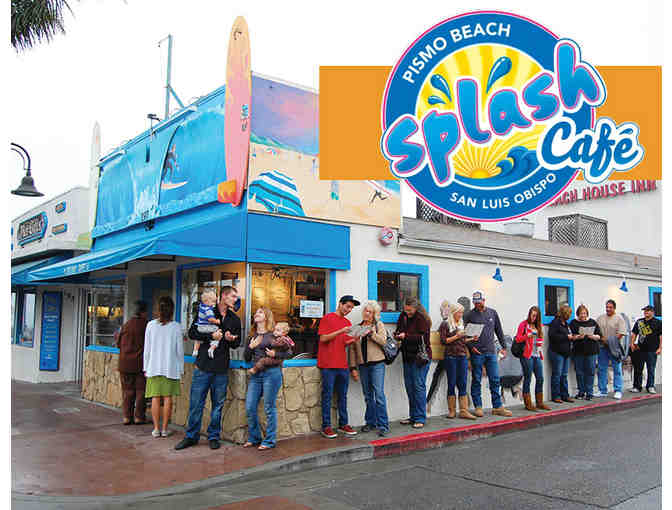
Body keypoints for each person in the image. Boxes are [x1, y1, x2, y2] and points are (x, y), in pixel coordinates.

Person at [175, 286, 241, 451]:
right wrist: (211, 335)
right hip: (203, 366)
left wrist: (230, 339)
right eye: (233, 296)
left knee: (218, 406)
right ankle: (191, 436)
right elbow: (192, 332)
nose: (235, 299)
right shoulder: (207, 311)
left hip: (221, 368)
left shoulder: (234, 319)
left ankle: (213, 437)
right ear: (223, 296)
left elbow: (236, 343)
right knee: (196, 404)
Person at [243, 308, 293, 450]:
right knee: (250, 407)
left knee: (269, 407)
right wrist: (251, 347)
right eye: (256, 312)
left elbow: (289, 352)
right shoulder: (251, 336)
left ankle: (269, 440)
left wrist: (275, 354)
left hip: (271, 373)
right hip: (256, 374)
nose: (256, 314)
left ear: (266, 317)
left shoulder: (274, 334)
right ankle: (254, 437)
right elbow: (246, 358)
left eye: (260, 312)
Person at [318, 295, 362, 439]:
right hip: (328, 364)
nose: (349, 310)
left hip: (342, 364)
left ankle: (344, 424)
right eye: (347, 306)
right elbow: (323, 338)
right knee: (327, 396)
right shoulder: (327, 318)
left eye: (351, 308)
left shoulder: (347, 322)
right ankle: (326, 427)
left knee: (342, 396)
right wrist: (341, 331)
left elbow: (344, 343)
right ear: (340, 304)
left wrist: (355, 338)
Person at [464, 290, 512, 417]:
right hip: (477, 353)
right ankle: (478, 407)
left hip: (491, 351)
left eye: (479, 302)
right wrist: (471, 347)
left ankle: (497, 407)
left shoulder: (492, 313)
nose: (477, 305)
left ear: (484, 300)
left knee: (495, 379)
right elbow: (465, 335)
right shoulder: (469, 315)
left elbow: (499, 330)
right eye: (475, 303)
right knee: (476, 380)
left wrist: (504, 347)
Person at [143, 296, 184, 438]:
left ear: (158, 309)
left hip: (153, 367)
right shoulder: (176, 327)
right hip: (170, 368)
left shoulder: (150, 325)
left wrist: (145, 367)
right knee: (167, 398)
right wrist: (181, 368)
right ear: (172, 310)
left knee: (155, 398)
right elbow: (179, 351)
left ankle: (156, 429)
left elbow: (147, 349)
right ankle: (165, 429)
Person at [348, 300, 390, 437]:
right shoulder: (357, 327)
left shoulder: (378, 325)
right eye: (365, 311)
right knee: (367, 395)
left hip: (377, 363)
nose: (367, 313)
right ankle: (370, 422)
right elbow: (352, 349)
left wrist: (371, 334)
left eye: (370, 312)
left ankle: (383, 425)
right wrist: (353, 367)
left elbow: (383, 341)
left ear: (374, 314)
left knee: (379, 394)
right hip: (363, 365)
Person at [396, 296, 432, 428]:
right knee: (410, 388)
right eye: (406, 310)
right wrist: (397, 334)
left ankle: (420, 418)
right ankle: (413, 416)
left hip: (420, 358)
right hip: (407, 356)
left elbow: (423, 338)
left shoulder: (422, 318)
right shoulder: (403, 316)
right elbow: (400, 329)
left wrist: (406, 336)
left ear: (416, 308)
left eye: (410, 310)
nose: (408, 312)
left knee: (418, 387)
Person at [439, 301, 477, 420]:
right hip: (451, 356)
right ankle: (452, 410)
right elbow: (443, 341)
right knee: (451, 382)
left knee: (463, 382)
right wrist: (456, 336)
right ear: (453, 312)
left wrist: (471, 339)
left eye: (462, 312)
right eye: (459, 312)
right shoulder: (445, 324)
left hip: (462, 355)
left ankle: (463, 410)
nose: (461, 315)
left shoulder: (461, 324)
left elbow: (462, 341)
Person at [116, 300, 149, 425]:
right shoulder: (146, 325)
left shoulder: (126, 325)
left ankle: (126, 417)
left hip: (124, 363)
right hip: (140, 363)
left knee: (127, 391)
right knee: (141, 391)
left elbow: (118, 343)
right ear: (143, 312)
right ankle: (139, 417)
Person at [514, 306, 551, 411]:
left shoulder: (538, 326)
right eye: (532, 315)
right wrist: (528, 335)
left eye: (535, 316)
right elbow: (518, 338)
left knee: (540, 378)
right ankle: (528, 403)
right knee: (528, 378)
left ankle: (539, 402)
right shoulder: (523, 324)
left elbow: (540, 340)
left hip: (536, 355)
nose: (533, 317)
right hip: (526, 355)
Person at [569, 304, 602, 401]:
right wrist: (578, 337)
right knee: (579, 372)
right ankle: (581, 391)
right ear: (578, 314)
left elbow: (599, 336)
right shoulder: (573, 323)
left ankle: (589, 392)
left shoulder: (592, 322)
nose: (583, 315)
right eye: (581, 313)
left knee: (590, 372)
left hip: (591, 351)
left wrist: (592, 336)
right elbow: (571, 336)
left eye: (584, 313)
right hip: (578, 351)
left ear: (587, 313)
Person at [596, 300, 627, 399]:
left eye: (610, 307)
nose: (608, 309)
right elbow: (596, 331)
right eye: (607, 307)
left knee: (617, 369)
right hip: (602, 347)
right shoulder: (600, 318)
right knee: (601, 368)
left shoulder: (619, 319)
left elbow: (621, 334)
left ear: (614, 308)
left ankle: (618, 390)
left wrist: (609, 340)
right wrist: (602, 339)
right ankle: (602, 390)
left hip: (614, 347)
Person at [630, 305, 662, 394]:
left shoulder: (658, 322)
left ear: (652, 312)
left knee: (651, 369)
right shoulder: (639, 321)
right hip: (640, 349)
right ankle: (637, 387)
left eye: (648, 310)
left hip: (652, 350)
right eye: (645, 310)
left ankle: (650, 386)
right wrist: (632, 343)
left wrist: (660, 348)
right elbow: (634, 333)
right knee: (638, 369)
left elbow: (661, 336)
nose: (645, 312)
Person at [548, 304, 576, 404]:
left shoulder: (566, 324)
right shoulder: (555, 323)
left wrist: (572, 337)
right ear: (564, 314)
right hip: (557, 352)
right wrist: (566, 337)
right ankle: (556, 395)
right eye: (568, 314)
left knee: (564, 375)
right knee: (557, 374)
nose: (569, 316)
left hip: (566, 353)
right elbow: (552, 336)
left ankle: (565, 395)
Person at [192, 290, 221, 358]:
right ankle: (211, 348)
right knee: (218, 333)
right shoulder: (208, 309)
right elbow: (210, 319)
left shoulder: (201, 307)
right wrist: (217, 321)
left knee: (198, 339)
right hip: (207, 327)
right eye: (213, 302)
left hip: (200, 327)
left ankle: (195, 350)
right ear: (207, 301)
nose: (214, 304)